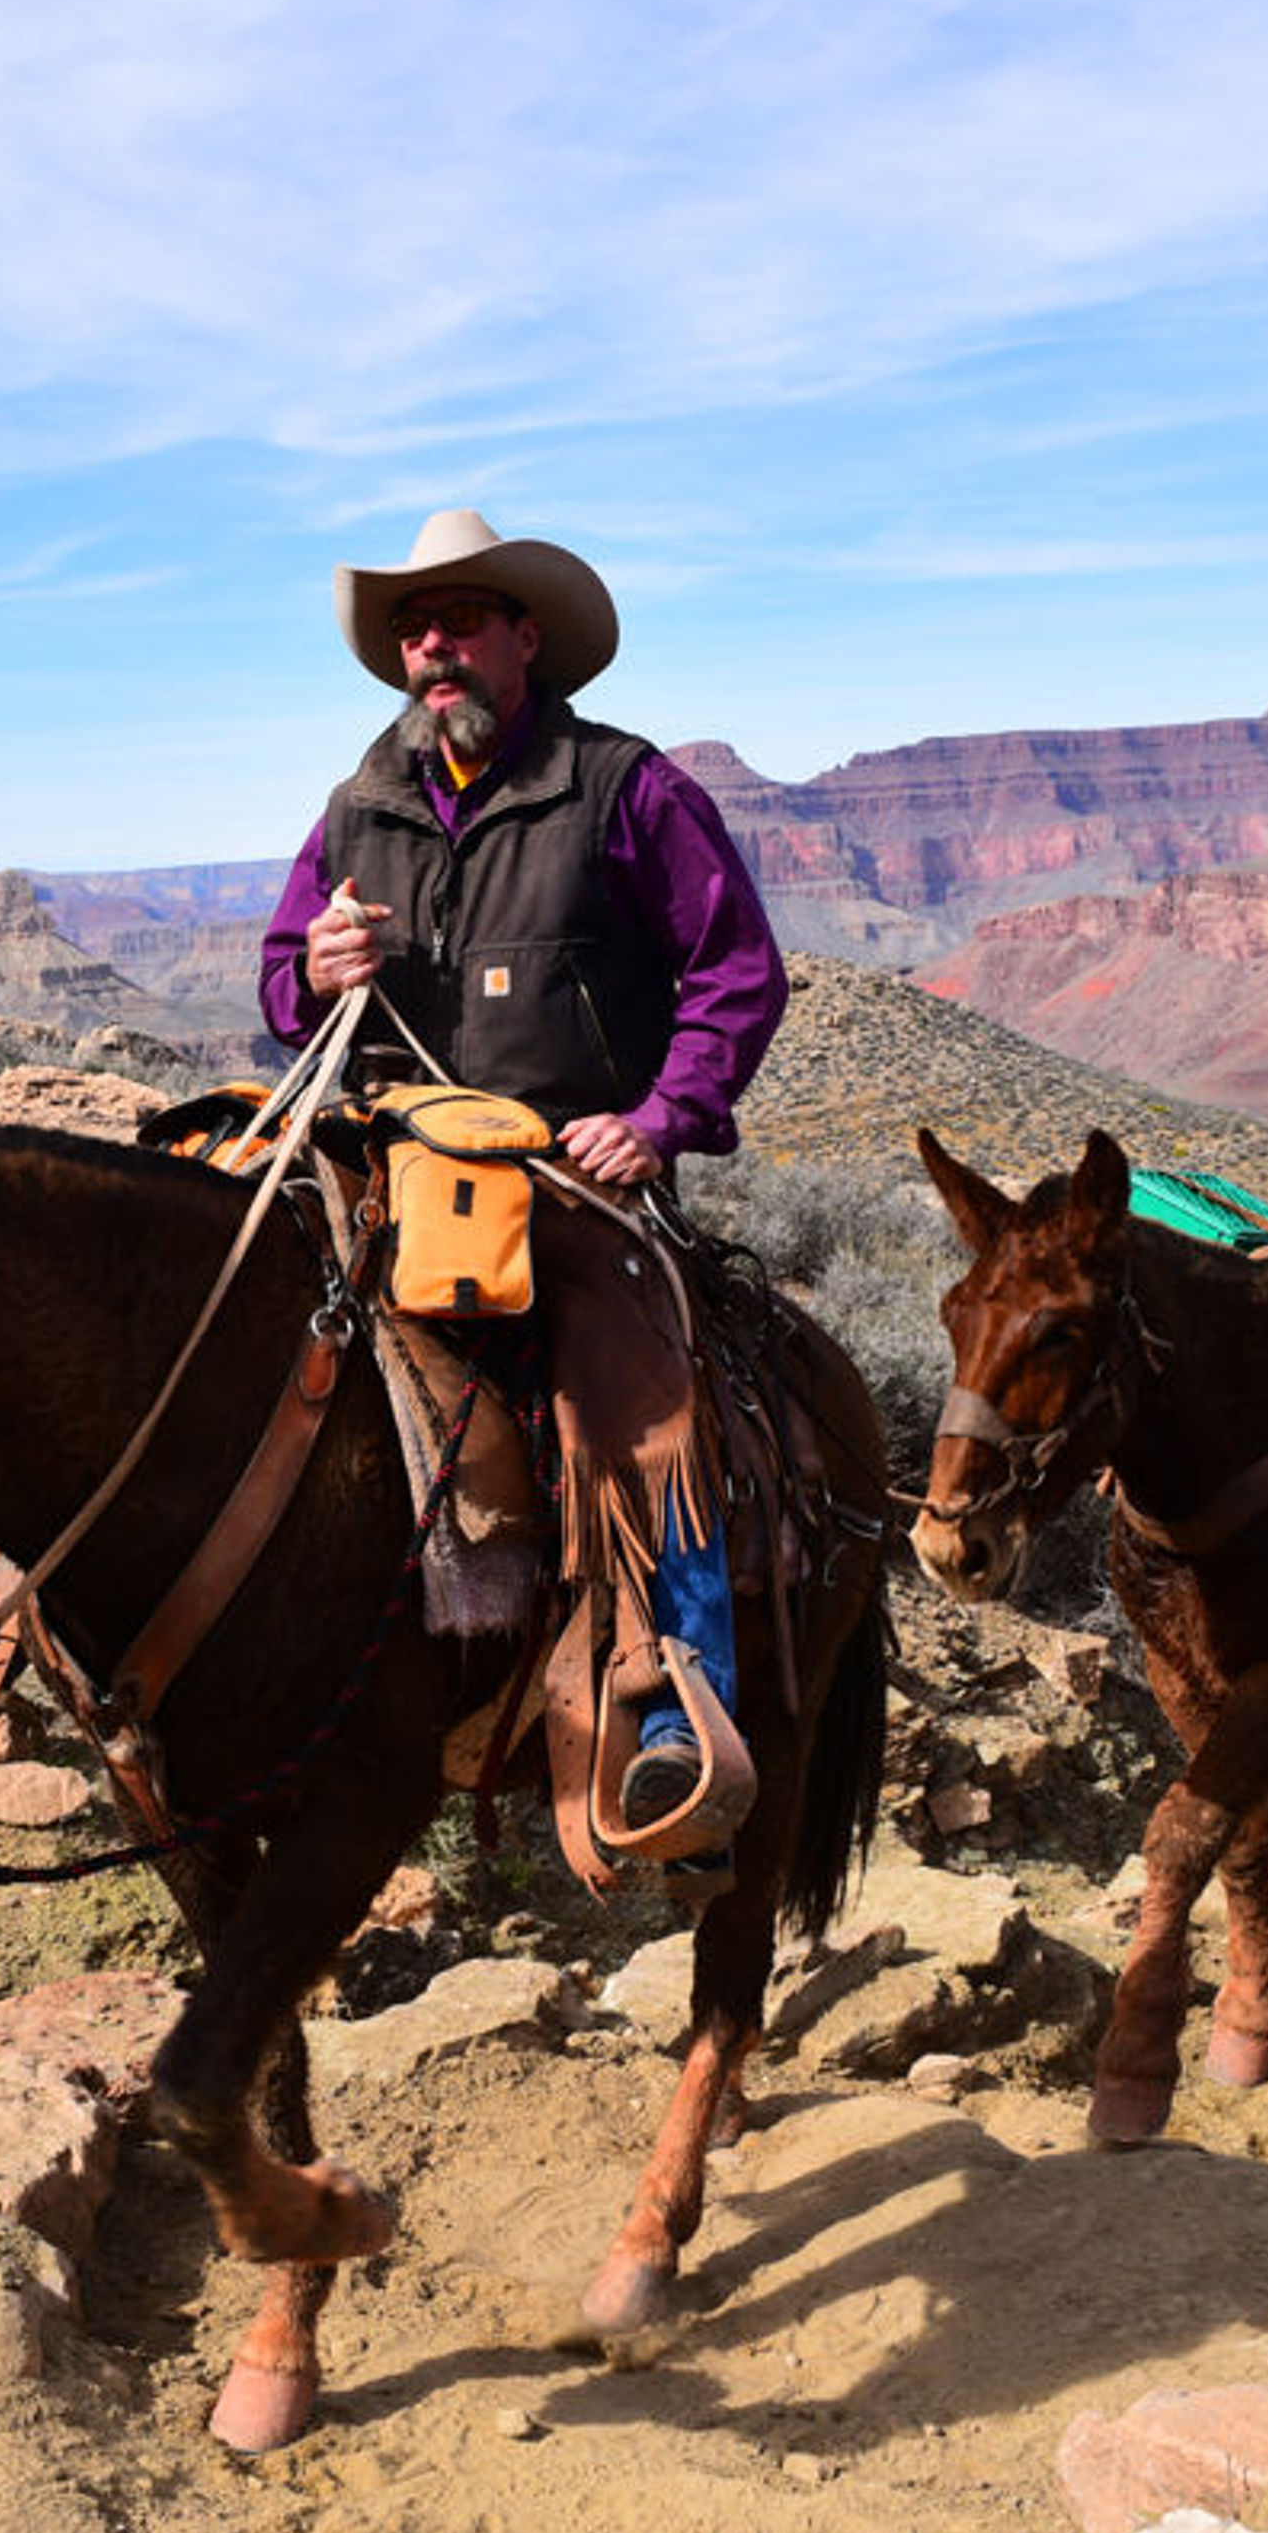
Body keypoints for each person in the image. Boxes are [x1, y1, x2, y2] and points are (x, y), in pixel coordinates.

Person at [258, 509, 786, 1837]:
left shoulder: (625, 788)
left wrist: (661, 1119)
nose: (432, 648)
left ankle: (676, 1712)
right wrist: (310, 972)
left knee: (639, 1401)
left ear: (525, 639)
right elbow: (277, 979)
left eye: (461, 622)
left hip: (564, 1175)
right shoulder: (357, 804)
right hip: (377, 1161)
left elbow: (737, 974)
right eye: (413, 631)